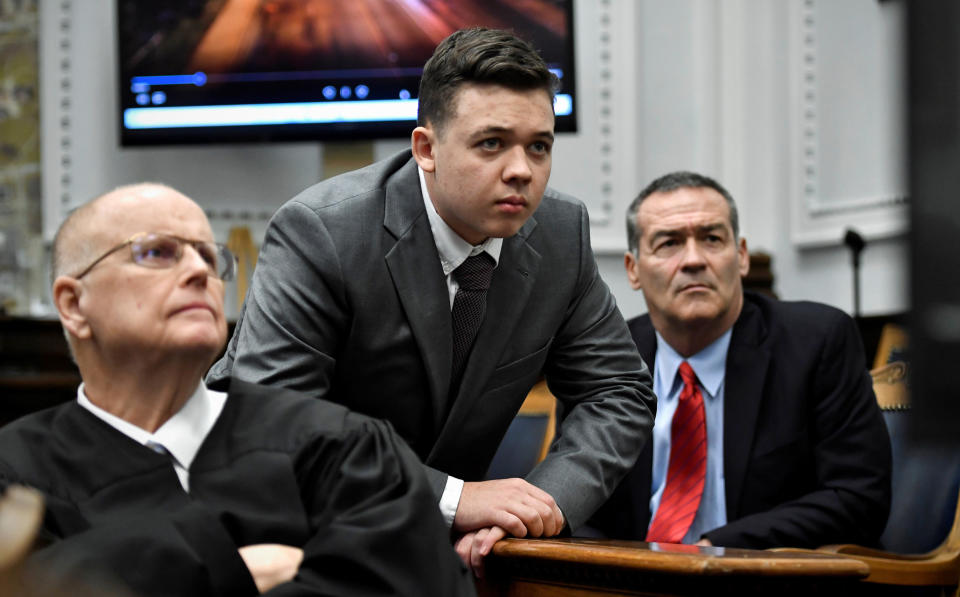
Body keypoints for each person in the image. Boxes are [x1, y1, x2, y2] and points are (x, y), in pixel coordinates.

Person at [207, 27, 655, 569]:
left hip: (442, 558)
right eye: (491, 143)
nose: (521, 170)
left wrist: (540, 507)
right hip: (286, 540)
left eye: (539, 146)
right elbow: (273, 426)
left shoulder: (560, 232)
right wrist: (455, 498)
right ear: (427, 149)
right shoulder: (322, 232)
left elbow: (618, 391)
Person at [0, 183, 474, 596]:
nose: (199, 273)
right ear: (73, 303)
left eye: (210, 256)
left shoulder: (343, 449)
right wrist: (234, 569)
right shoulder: (14, 474)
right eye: (157, 252)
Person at [587, 171, 891, 549]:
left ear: (741, 256)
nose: (694, 260)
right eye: (669, 243)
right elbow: (583, 510)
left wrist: (713, 548)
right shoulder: (604, 359)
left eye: (712, 239)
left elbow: (858, 499)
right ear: (633, 269)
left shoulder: (817, 343)